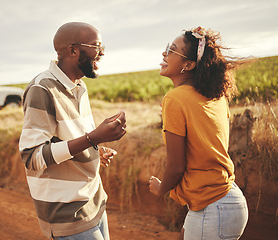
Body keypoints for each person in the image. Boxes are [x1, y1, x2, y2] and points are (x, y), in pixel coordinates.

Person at [19, 22, 126, 240]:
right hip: (67, 213)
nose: (102, 52)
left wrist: (95, 148)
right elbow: (32, 156)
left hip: (93, 203)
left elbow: (68, 139)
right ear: (73, 50)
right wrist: (93, 137)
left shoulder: (79, 86)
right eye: (97, 46)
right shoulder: (42, 89)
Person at [149, 26, 248, 240]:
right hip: (229, 199)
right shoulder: (216, 96)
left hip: (212, 205)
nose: (164, 53)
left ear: (189, 65)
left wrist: (160, 188)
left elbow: (176, 166)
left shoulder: (175, 99)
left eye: (172, 50)